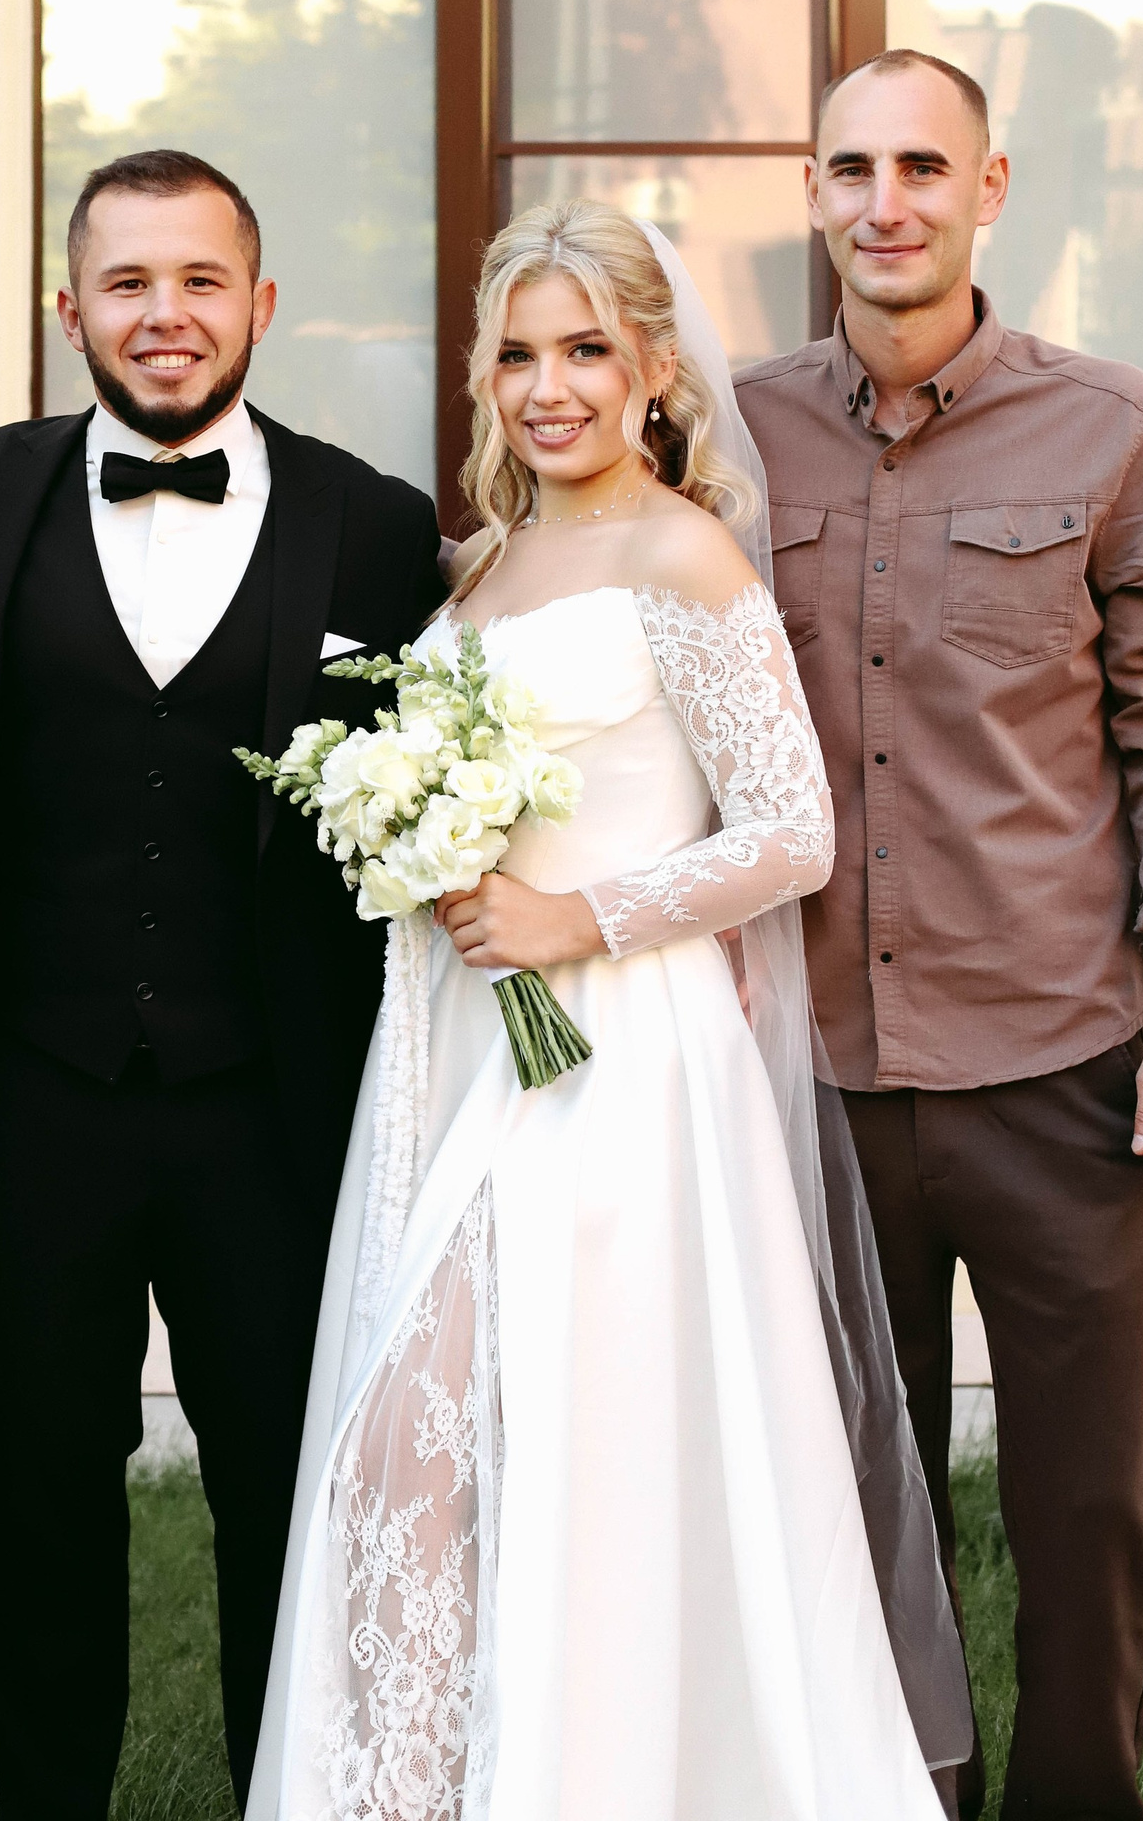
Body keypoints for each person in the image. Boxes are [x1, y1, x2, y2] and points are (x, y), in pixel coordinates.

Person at [252, 201, 971, 1821]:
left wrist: (575, 917)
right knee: (425, 1448)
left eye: (586, 349)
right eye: (517, 355)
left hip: (621, 1065)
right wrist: (423, 850)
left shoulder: (680, 552)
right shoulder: (485, 563)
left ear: (654, 367)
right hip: (470, 1047)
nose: (548, 387)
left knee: (525, 1441)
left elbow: (792, 832)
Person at [0, 146, 443, 1819]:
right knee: (42, 1495)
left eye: (201, 279)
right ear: (68, 310)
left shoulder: (375, 524)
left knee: (288, 1494)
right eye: (127, 281)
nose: (166, 313)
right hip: (32, 1096)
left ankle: (291, 1795)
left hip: (276, 1110)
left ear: (261, 303)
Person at [737, 50, 1143, 1821]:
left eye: (922, 168)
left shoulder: (1111, 425)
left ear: (990, 187)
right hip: (813, 1076)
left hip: (1058, 1068)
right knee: (857, 1507)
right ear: (813, 192)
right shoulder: (729, 438)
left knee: (1088, 1506)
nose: (885, 203)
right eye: (852, 168)